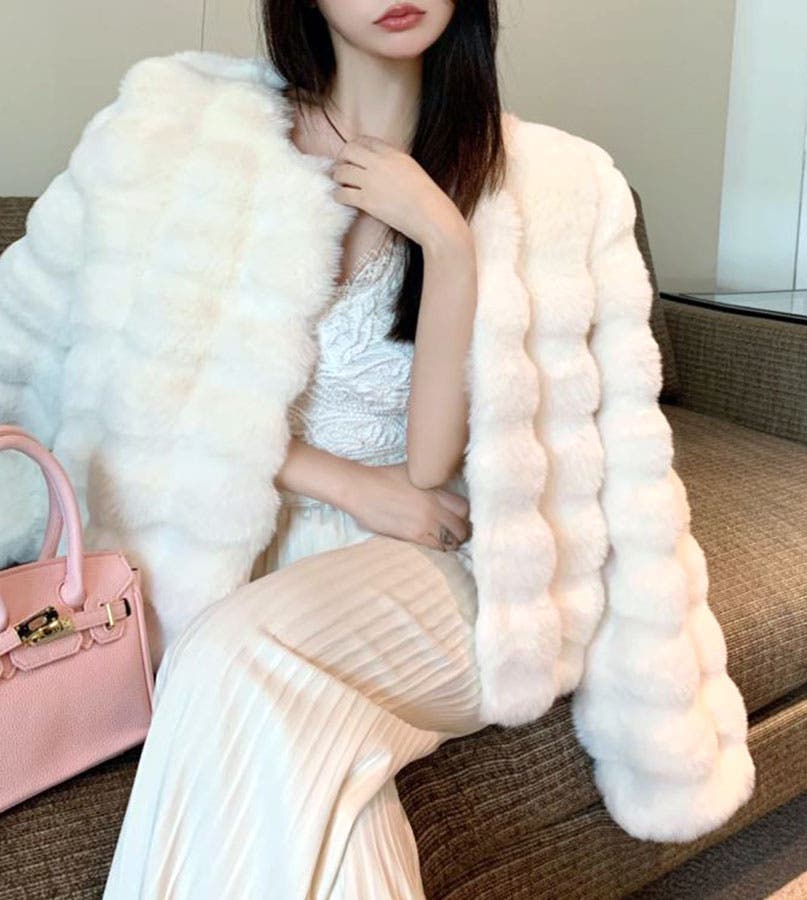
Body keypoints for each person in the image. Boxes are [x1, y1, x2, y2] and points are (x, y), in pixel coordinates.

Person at [102, 1, 504, 896]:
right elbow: (163, 391)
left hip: (429, 566)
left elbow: (430, 466)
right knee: (323, 799)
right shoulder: (216, 141)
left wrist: (445, 239)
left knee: (231, 653)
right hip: (265, 538)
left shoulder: (512, 167)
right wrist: (352, 486)